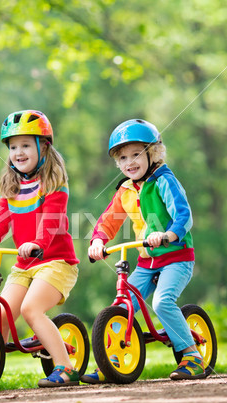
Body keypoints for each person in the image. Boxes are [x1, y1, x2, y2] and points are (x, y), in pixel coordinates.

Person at [0, 110, 80, 391]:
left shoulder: (54, 185)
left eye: (26, 145)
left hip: (56, 262)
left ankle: (66, 368)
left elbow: (51, 220)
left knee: (31, 309)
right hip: (24, 265)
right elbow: (0, 219)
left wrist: (37, 244)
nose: (18, 152)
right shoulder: (13, 186)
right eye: (13, 147)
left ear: (43, 146)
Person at [82, 118, 204, 383]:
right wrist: (98, 241)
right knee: (121, 306)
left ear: (153, 153)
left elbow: (183, 214)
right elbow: (109, 220)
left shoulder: (164, 180)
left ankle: (192, 356)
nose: (130, 162)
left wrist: (169, 234)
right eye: (123, 157)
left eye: (136, 154)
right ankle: (110, 362)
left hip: (176, 257)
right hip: (147, 262)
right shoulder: (125, 190)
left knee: (162, 302)